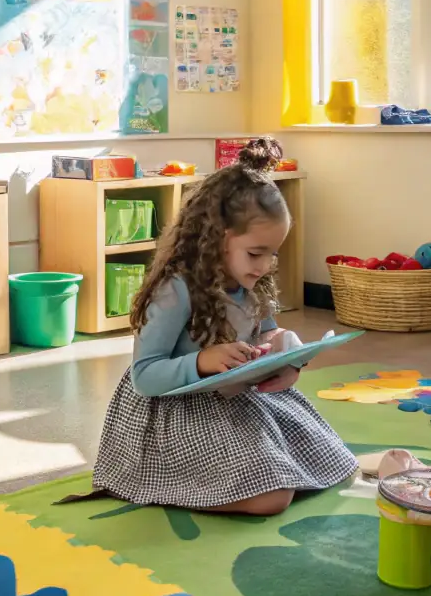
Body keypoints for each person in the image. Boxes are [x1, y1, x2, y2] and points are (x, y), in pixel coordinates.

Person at [91, 137, 357, 515]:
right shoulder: (176, 289)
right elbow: (145, 376)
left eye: (272, 254)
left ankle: (239, 478)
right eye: (255, 253)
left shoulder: (252, 282)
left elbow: (266, 333)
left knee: (333, 460)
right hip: (178, 414)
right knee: (273, 497)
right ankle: (177, 486)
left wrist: (288, 355)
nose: (264, 265)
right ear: (217, 239)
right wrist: (202, 360)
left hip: (235, 400)